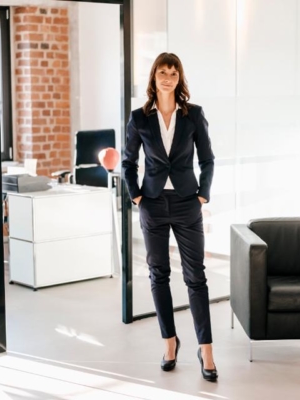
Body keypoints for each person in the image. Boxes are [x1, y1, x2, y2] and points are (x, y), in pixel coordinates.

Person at [122, 52, 217, 381]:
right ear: (154, 76)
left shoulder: (194, 115)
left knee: (196, 277)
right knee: (158, 275)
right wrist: (136, 195)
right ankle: (169, 342)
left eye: (174, 73)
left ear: (179, 79)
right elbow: (127, 162)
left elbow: (208, 159)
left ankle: (206, 350)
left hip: (187, 203)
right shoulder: (139, 118)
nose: (168, 77)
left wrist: (203, 194)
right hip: (152, 203)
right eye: (163, 71)